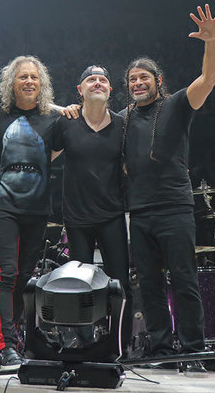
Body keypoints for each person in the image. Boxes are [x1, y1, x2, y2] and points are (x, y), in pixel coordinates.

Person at [120, 4, 215, 373]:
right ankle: (162, 349)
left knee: (183, 279)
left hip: (175, 208)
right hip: (140, 212)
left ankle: (193, 348)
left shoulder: (177, 104)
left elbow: (208, 79)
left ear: (157, 80)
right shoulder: (123, 119)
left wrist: (212, 42)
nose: (137, 83)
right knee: (148, 285)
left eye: (143, 77)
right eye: (131, 79)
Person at [51, 65, 132, 355]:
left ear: (110, 90)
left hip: (112, 215)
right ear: (80, 90)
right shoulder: (66, 122)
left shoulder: (123, 125)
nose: (97, 82)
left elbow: (131, 165)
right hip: (76, 218)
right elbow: (44, 155)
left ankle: (120, 344)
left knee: (120, 283)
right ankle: (83, 344)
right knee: (79, 287)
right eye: (90, 79)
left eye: (102, 80)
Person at [0, 56, 63, 367]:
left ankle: (17, 336)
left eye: (34, 76)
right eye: (23, 77)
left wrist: (64, 109)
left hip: (37, 208)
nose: (29, 81)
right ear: (12, 82)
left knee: (24, 276)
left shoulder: (52, 120)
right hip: (3, 205)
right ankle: (3, 343)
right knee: (5, 274)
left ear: (41, 82)